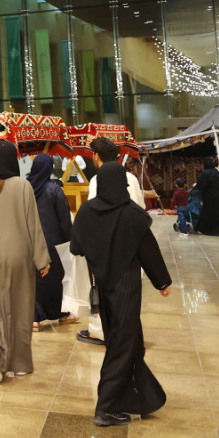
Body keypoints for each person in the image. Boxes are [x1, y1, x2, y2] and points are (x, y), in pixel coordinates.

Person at [70, 162, 172, 427]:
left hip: (102, 286)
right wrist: (162, 282)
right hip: (126, 285)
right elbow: (148, 249)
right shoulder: (131, 214)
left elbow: (76, 247)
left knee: (126, 340)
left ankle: (133, 396)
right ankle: (106, 407)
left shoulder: (87, 211)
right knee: (123, 343)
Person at [0, 141, 51, 383]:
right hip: (18, 258)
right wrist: (42, 259)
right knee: (21, 310)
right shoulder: (22, 186)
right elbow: (33, 225)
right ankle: (20, 364)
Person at [78, 137, 144, 345]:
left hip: (107, 246)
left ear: (96, 157)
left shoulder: (98, 180)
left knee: (103, 291)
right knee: (128, 295)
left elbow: (93, 214)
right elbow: (140, 209)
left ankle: (101, 332)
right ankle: (127, 332)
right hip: (131, 244)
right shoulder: (131, 178)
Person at [26, 153, 76, 331]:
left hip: (29, 243)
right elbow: (64, 220)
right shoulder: (54, 190)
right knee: (55, 280)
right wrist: (70, 243)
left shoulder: (25, 189)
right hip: (52, 244)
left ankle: (33, 319)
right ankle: (61, 314)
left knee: (33, 280)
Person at [195, 157, 219, 236]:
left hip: (211, 198)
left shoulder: (205, 173)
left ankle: (206, 230)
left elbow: (200, 186)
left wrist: (194, 189)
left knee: (208, 214)